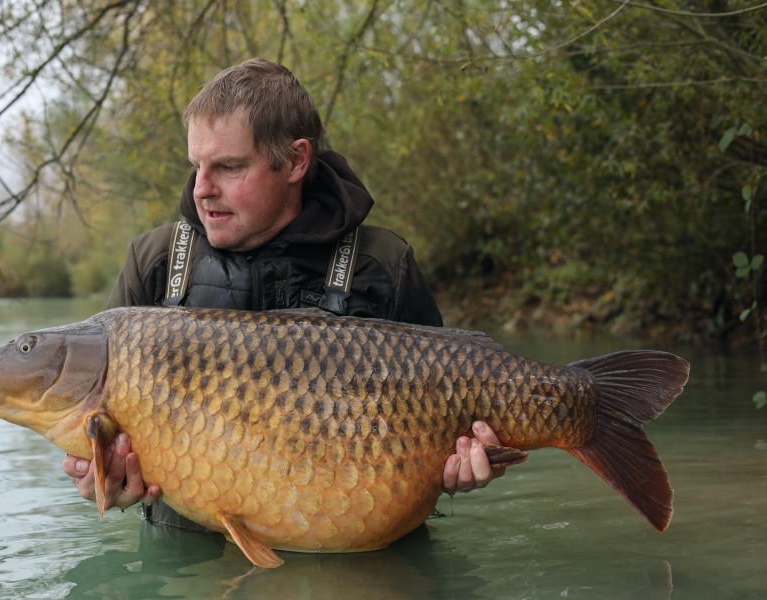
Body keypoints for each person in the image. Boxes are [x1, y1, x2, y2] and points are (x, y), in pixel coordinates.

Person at [62, 58, 505, 531]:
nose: (201, 189)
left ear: (295, 160)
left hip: (355, 560)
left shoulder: (381, 263)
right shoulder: (156, 262)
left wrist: (460, 466)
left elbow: (452, 418)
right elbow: (100, 429)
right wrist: (102, 479)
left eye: (229, 167)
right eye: (197, 166)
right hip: (192, 559)